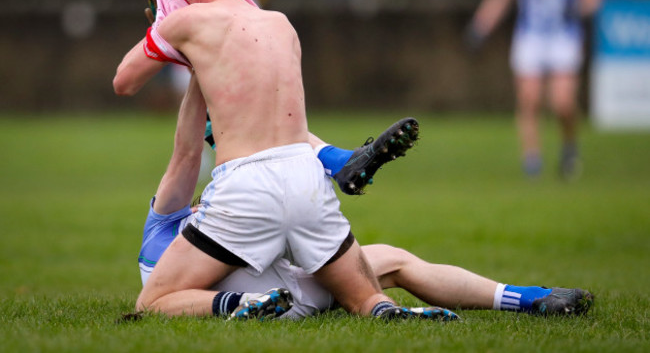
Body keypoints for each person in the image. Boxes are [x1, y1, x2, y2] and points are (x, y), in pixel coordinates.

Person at [127, 0, 446, 321]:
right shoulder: (280, 23)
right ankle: (390, 306)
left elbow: (128, 86)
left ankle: (239, 304)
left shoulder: (185, 21)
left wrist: (166, 31)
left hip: (246, 189)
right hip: (305, 176)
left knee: (151, 303)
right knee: (368, 294)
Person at [136, 69, 593, 320]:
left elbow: (193, 159)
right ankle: (337, 159)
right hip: (272, 284)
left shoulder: (182, 220)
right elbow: (187, 153)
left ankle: (531, 298)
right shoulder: (181, 220)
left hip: (278, 289)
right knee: (273, 153)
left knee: (390, 254)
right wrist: (199, 62)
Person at [466, 0, 603, 179]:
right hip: (530, 34)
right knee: (528, 98)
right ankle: (532, 161)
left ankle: (569, 146)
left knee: (563, 102)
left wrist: (581, 7)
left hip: (563, 34)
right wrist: (481, 25)